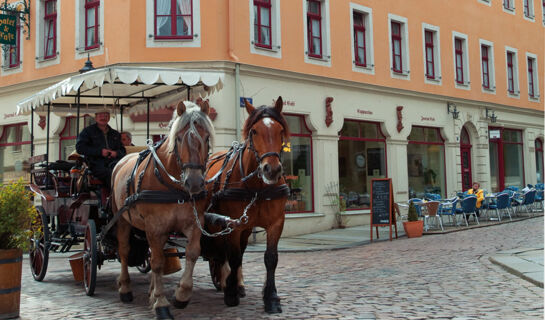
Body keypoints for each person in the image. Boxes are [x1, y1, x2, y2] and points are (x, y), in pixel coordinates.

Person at [76, 109, 126, 188]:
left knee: (126, 171)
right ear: (95, 118)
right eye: (100, 115)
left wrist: (116, 153)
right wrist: (100, 152)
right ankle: (113, 195)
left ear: (109, 118)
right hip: (95, 164)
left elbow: (122, 150)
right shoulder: (87, 132)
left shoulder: (115, 133)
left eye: (106, 115)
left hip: (114, 162)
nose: (103, 118)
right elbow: (80, 148)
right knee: (109, 173)